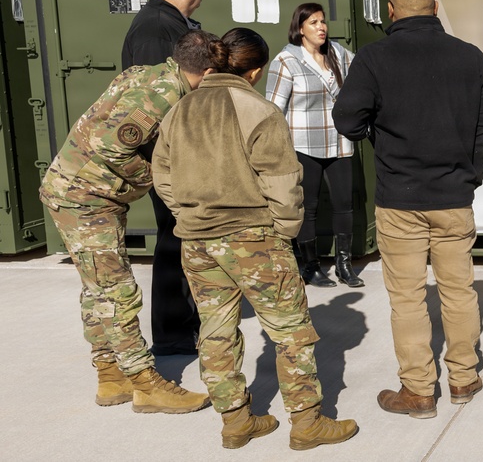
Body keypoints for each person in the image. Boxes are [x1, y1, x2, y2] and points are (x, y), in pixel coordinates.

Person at [151, 28, 358, 450]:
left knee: (216, 330)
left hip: (198, 240)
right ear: (256, 70)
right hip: (253, 238)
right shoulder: (258, 110)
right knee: (291, 333)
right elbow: (283, 184)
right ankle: (307, 423)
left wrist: (190, 214)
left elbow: (162, 176)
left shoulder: (179, 110)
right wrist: (281, 234)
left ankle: (236, 422)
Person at [333, 0, 483, 419]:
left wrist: (380, 141)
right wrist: (469, 178)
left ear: (390, 10)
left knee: (407, 298)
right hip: (453, 197)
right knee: (459, 290)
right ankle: (464, 377)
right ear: (436, 7)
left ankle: (419, 391)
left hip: (400, 197)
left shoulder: (373, 58)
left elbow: (347, 120)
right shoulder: (471, 59)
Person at [39, 30, 217, 414]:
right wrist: (152, 175)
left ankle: (110, 375)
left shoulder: (148, 74)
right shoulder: (163, 94)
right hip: (85, 198)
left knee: (97, 289)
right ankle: (144, 383)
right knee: (117, 291)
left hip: (79, 192)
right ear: (206, 71)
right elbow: (111, 145)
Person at [121, 0, 206, 355]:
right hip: (169, 154)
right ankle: (173, 334)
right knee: (175, 240)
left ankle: (184, 325)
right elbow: (155, 101)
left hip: (176, 151)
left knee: (182, 239)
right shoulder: (157, 27)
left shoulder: (169, 22)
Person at [266, 2, 363, 288]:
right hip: (303, 143)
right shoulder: (285, 60)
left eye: (323, 22)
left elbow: (364, 74)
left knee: (344, 204)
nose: (321, 27)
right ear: (300, 29)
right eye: (314, 23)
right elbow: (274, 109)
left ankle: (344, 265)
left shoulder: (339, 53)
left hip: (339, 141)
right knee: (307, 207)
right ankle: (310, 265)